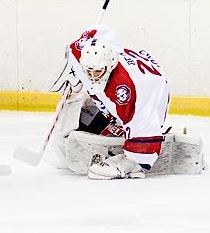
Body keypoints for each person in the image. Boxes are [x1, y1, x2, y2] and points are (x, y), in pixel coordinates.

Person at [47, 24, 171, 180]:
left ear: (111, 64)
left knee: (131, 120)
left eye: (98, 72)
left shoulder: (126, 91)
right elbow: (98, 32)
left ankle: (131, 155)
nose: (93, 77)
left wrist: (134, 160)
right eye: (88, 71)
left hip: (154, 91)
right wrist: (76, 74)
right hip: (134, 75)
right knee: (78, 106)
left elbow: (143, 119)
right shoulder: (81, 53)